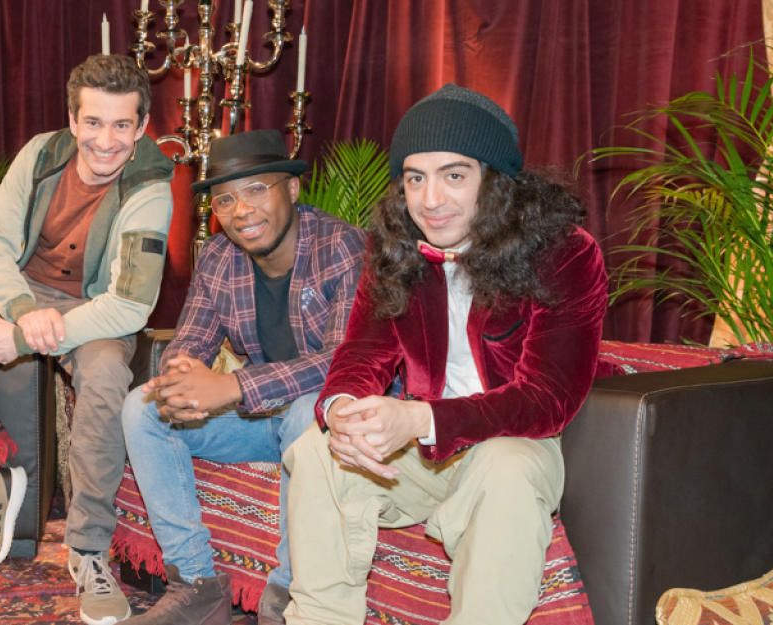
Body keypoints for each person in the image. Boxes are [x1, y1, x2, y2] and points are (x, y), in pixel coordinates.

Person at [282, 84, 609, 625]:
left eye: (453, 176)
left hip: (513, 440)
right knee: (318, 450)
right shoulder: (395, 248)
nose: (430, 200)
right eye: (415, 178)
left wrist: (420, 419)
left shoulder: (564, 252)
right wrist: (341, 408)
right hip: (424, 452)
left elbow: (546, 399)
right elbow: (363, 349)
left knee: (508, 469)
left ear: (494, 181)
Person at [0, 53, 173, 613]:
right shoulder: (42, 153)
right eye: (93, 122)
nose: (106, 141)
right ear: (72, 120)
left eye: (122, 125)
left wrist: (25, 339)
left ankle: (88, 551)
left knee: (105, 377)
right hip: (17, 290)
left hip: (94, 309)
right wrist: (23, 311)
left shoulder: (151, 187)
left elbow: (130, 304)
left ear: (142, 126)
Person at [120, 129, 365, 625]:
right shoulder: (218, 256)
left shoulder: (340, 245)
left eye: (256, 189)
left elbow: (345, 362)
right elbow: (191, 338)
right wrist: (181, 375)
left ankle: (286, 594)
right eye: (225, 199)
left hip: (329, 423)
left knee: (306, 412)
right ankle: (196, 584)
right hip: (260, 421)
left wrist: (233, 386)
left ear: (292, 189)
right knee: (142, 408)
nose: (241, 211)